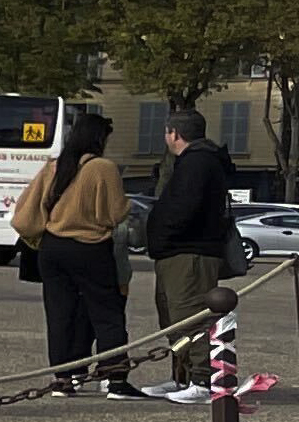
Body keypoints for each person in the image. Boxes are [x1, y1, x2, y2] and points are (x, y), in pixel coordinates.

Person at [13, 109, 146, 400]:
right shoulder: (103, 168)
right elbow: (116, 212)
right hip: (90, 246)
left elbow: (26, 209)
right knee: (107, 313)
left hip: (52, 248)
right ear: (99, 139)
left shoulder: (54, 166)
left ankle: (64, 378)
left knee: (60, 315)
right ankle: (115, 378)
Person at [144, 112, 241, 399]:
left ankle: (202, 379)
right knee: (173, 316)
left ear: (174, 134)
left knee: (191, 314)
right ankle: (182, 376)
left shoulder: (197, 162)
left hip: (190, 252)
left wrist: (162, 234)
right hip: (180, 251)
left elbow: (184, 208)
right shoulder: (197, 161)